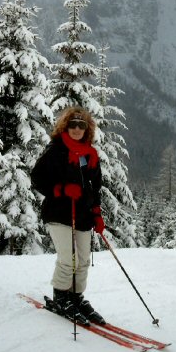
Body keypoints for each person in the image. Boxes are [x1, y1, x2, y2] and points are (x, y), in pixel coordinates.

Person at [31, 106, 106, 325]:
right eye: (72, 124)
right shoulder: (56, 150)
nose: (76, 129)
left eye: (81, 125)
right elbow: (37, 177)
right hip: (59, 212)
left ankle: (75, 298)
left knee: (83, 261)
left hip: (82, 215)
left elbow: (94, 187)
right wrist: (60, 190)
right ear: (65, 126)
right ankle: (61, 297)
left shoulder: (90, 154)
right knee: (68, 259)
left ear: (87, 129)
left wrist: (97, 214)